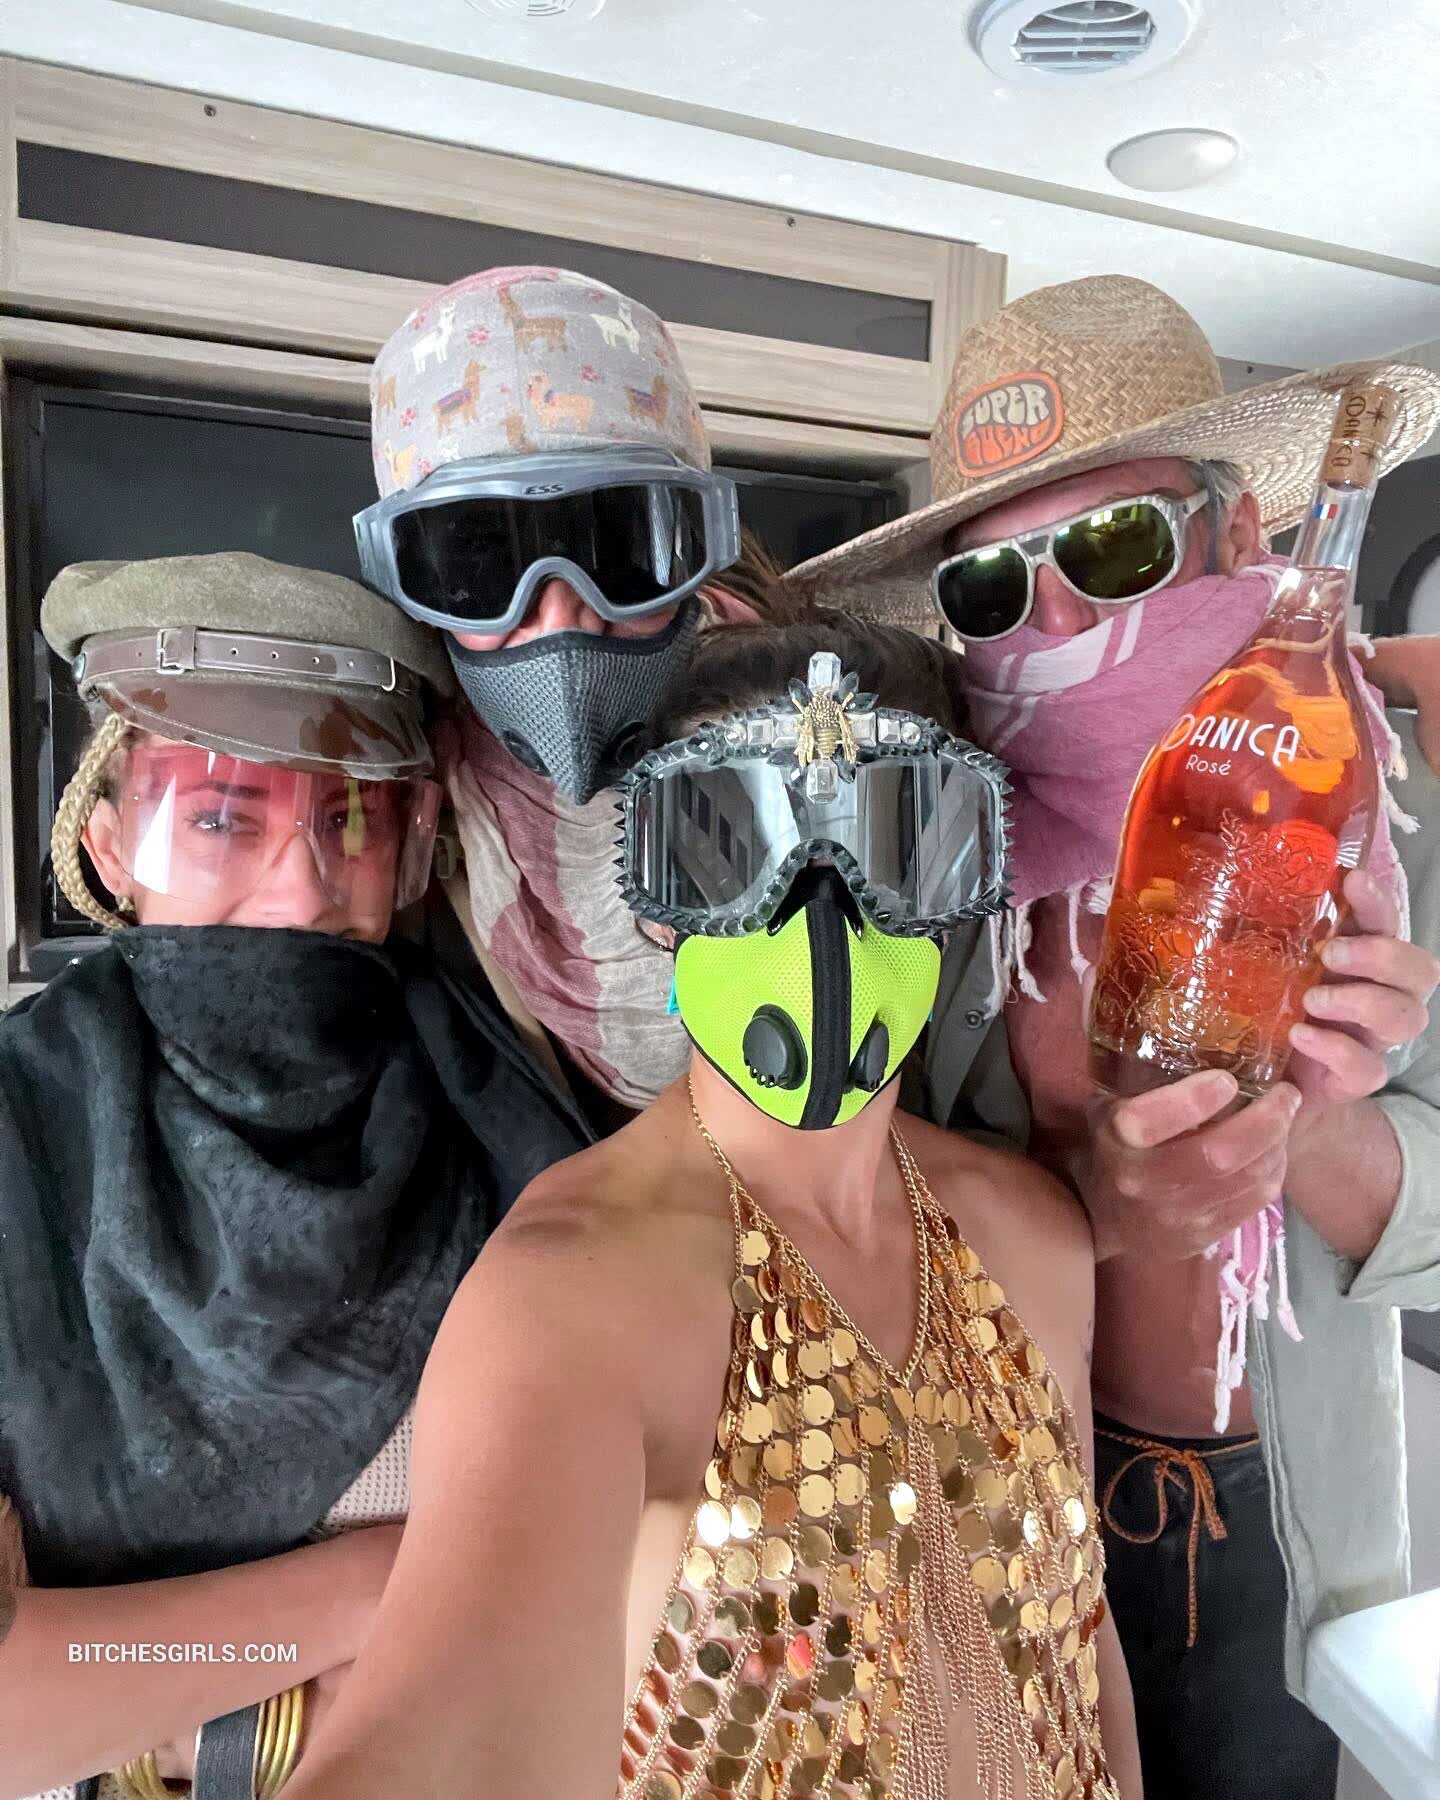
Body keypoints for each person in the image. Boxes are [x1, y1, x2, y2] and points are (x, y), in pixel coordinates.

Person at [279, 615, 1144, 1800]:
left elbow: (1081, 1652)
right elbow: (439, 1725)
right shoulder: (571, 1299)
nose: (819, 909)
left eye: (897, 836)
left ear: (965, 879)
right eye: (731, 843)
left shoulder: (1033, 1235)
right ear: (653, 894)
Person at [784, 275, 1440, 1799]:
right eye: (991, 589)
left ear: (1240, 535)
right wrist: (1100, 1201)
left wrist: (1313, 1121)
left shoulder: (1396, 819)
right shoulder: (933, 864)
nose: (1060, 615)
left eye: (1115, 546)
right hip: (1009, 1498)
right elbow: (859, 1210)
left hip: (1289, 1510)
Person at [0, 553, 588, 1800]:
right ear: (109, 846)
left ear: (413, 844)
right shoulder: (16, 1139)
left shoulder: (508, 1102)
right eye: (221, 820)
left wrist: (160, 1688)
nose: (302, 887)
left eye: (350, 822)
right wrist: (380, 1590)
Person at [355, 265, 793, 1128]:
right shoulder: (407, 791)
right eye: (482, 565)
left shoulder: (834, 728)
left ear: (696, 543)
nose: (561, 618)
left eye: (619, 548)